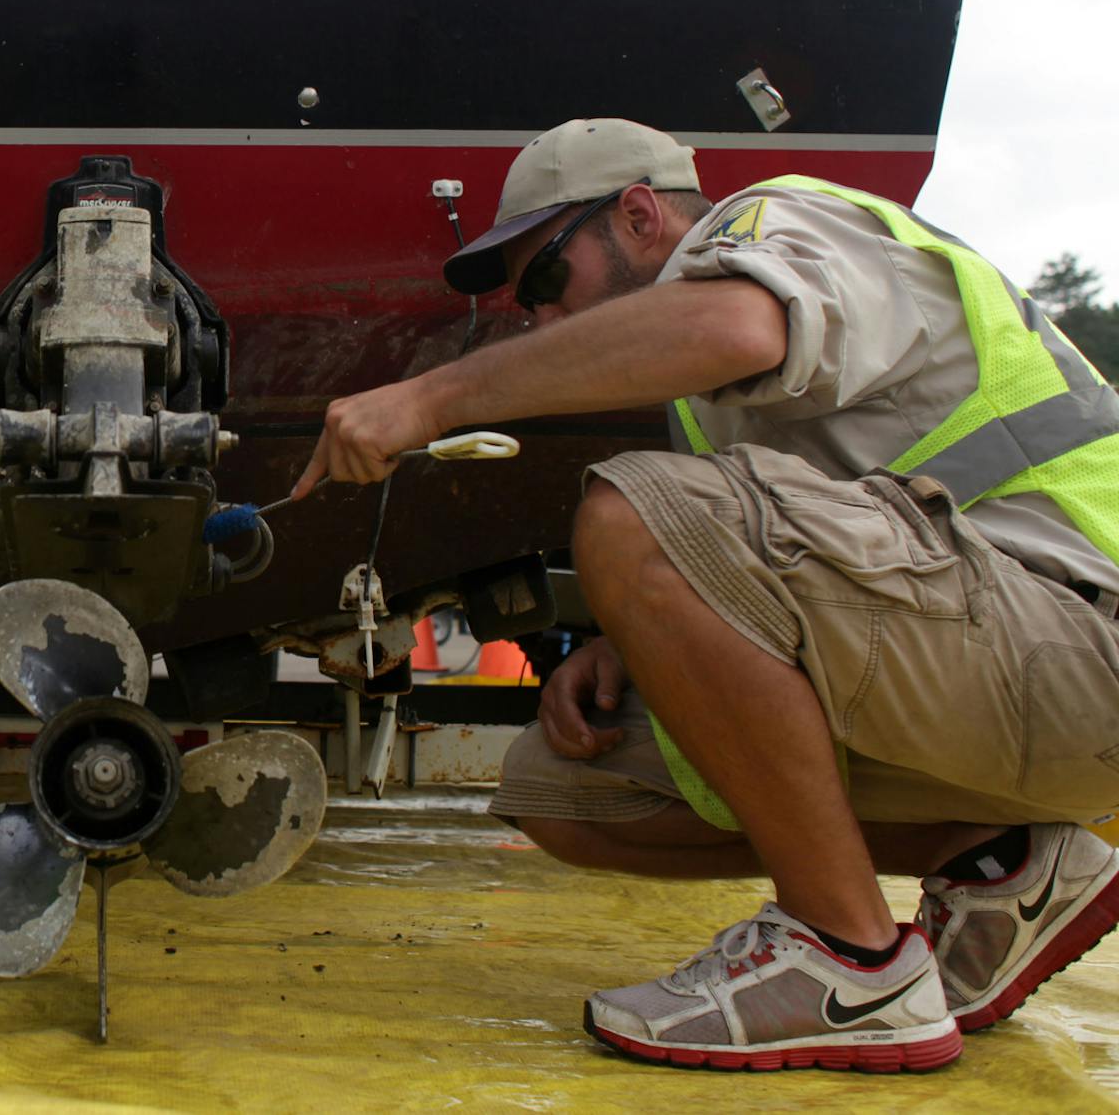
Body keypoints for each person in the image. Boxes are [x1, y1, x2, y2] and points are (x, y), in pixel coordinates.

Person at [293, 118, 1119, 1073]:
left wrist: (428, 401)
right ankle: (1009, 854)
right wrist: (643, 636)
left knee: (632, 508)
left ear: (639, 214)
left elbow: (732, 324)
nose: (546, 323)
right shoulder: (714, 407)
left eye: (548, 283)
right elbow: (824, 553)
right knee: (565, 792)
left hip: (1080, 636)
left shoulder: (781, 221)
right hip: (1008, 671)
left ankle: (850, 961)